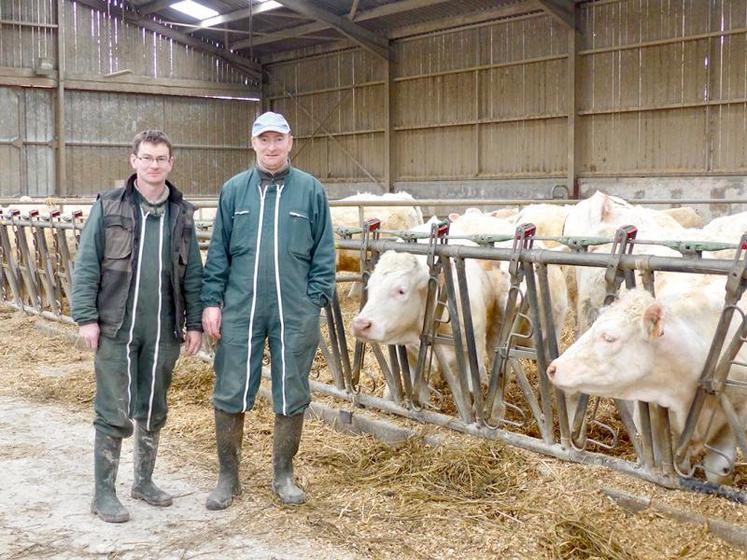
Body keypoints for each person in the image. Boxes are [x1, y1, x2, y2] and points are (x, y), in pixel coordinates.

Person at [201, 111, 335, 509]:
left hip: (294, 308)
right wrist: (212, 301)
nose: (272, 147)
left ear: (290, 142)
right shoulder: (234, 191)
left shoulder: (310, 191)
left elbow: (324, 253)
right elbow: (218, 253)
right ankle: (228, 479)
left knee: (291, 388)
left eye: (279, 139)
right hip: (241, 306)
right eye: (264, 139)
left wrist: (315, 300)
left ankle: (283, 475)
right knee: (230, 387)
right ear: (253, 142)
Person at [72, 130, 204, 523]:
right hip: (116, 325)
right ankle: (104, 494)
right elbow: (87, 264)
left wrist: (193, 323)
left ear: (171, 163)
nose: (153, 165)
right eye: (146, 158)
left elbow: (192, 273)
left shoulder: (182, 213)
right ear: (133, 161)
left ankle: (143, 481)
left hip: (162, 328)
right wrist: (86, 317)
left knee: (153, 405)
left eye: (161, 158)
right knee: (112, 408)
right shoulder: (109, 206)